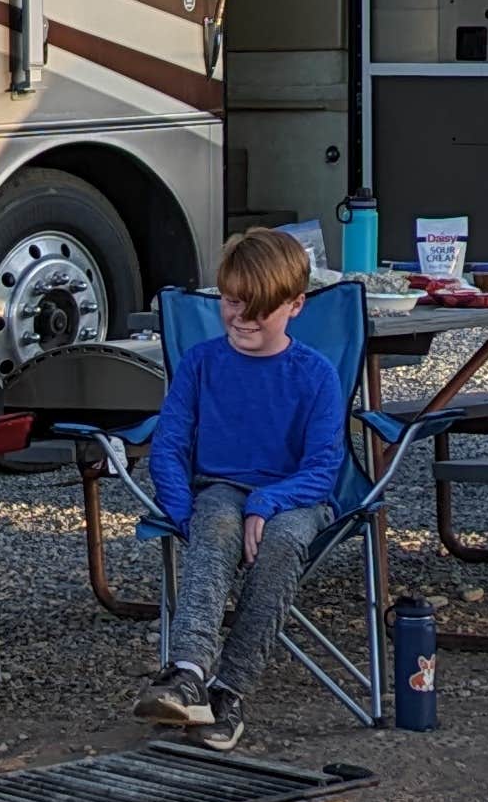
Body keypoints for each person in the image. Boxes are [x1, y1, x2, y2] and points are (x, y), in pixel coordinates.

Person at [139, 224, 343, 749]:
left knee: (282, 542)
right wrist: (185, 514)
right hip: (220, 490)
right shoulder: (203, 362)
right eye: (231, 302)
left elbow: (324, 467)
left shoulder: (316, 375)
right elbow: (168, 445)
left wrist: (268, 501)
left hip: (297, 495)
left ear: (295, 305)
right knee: (216, 516)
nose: (242, 318)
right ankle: (187, 674)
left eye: (258, 307)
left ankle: (229, 690)